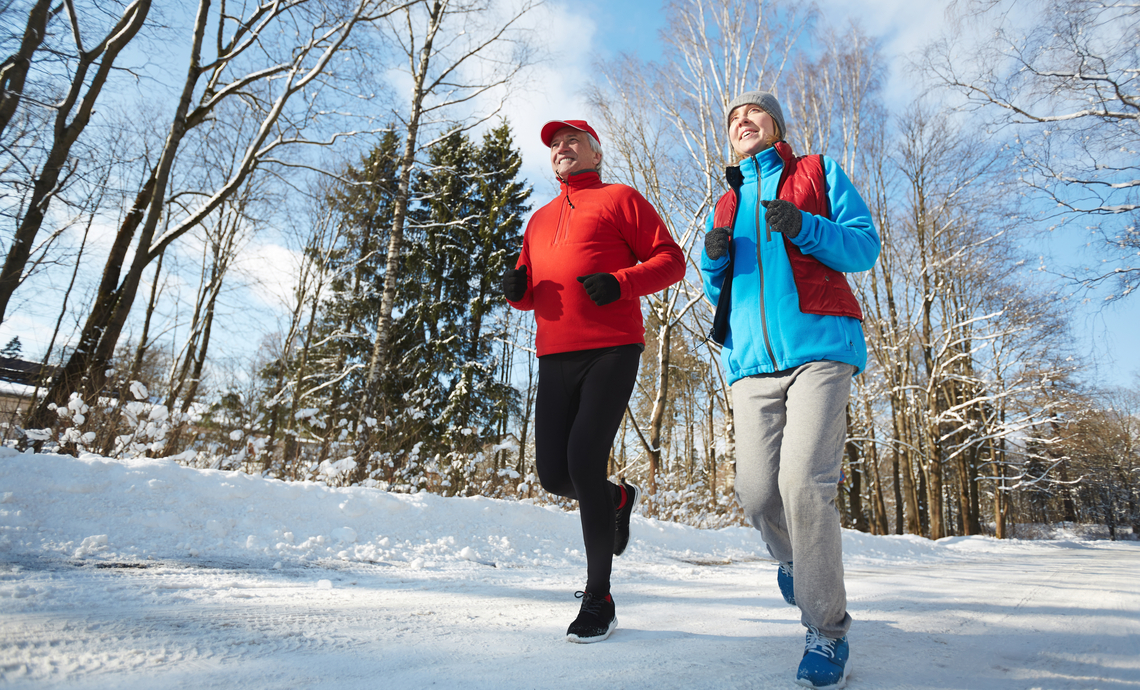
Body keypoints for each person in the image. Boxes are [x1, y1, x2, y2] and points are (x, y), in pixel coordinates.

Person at [699, 92, 880, 688]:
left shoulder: (817, 171)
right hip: (750, 364)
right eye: (733, 118)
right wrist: (713, 262)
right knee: (756, 494)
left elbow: (863, 246)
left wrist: (805, 226)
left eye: (752, 113)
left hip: (821, 350)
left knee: (804, 485)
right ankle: (794, 563)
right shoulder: (727, 201)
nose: (741, 121)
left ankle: (826, 630)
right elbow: (719, 293)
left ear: (775, 124)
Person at [503, 119, 685, 643]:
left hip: (611, 348)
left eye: (572, 140)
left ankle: (599, 597)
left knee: (584, 461)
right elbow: (529, 291)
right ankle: (617, 499)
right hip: (553, 355)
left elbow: (671, 261)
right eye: (555, 144)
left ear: (595, 153)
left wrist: (621, 282)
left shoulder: (620, 199)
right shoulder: (539, 219)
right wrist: (516, 290)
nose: (561, 147)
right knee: (553, 475)